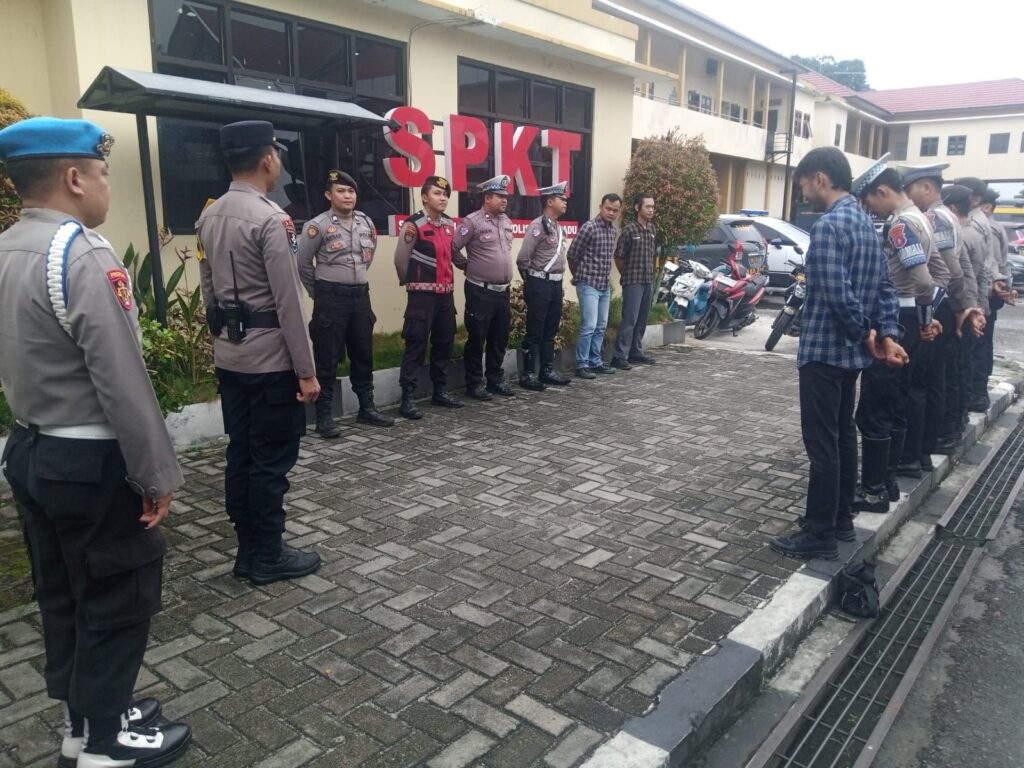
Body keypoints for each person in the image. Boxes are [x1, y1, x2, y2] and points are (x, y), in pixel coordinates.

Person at [0, 117, 191, 766]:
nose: (108, 185)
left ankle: (82, 724)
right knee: (116, 596)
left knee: (63, 595)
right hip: (91, 459)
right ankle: (106, 748)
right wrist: (156, 476)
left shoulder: (9, 246)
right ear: (74, 178)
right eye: (103, 172)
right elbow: (122, 379)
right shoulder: (81, 254)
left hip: (31, 449)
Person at [197, 120, 322, 586]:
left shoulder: (209, 215)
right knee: (270, 461)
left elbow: (209, 290)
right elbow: (288, 301)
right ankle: (267, 554)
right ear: (268, 159)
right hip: (271, 362)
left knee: (242, 454)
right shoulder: (272, 219)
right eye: (277, 155)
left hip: (231, 358)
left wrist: (223, 339)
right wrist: (306, 371)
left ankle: (248, 550)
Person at [769, 148, 904, 561]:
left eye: (803, 185)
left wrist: (866, 333)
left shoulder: (829, 227)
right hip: (851, 359)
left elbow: (836, 294)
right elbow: (885, 289)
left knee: (822, 445)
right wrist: (887, 334)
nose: (803, 194)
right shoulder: (866, 224)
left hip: (825, 353)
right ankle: (841, 519)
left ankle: (820, 533)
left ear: (820, 179)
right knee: (843, 438)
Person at [858, 161, 941, 487]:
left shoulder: (900, 225)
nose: (871, 209)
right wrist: (927, 317)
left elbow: (923, 281)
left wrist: (923, 318)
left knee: (880, 403)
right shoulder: (921, 218)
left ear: (882, 191)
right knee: (898, 398)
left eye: (870, 201)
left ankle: (879, 485)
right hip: (909, 317)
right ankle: (891, 477)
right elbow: (938, 274)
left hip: (898, 318)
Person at [298, 170, 393, 436]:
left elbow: (367, 258)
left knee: (363, 353)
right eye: (340, 191)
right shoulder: (317, 225)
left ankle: (367, 408)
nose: (347, 196)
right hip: (330, 298)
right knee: (326, 357)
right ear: (329, 195)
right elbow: (302, 263)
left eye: (351, 191)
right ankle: (324, 416)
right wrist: (319, 293)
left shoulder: (366, 222)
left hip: (360, 296)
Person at [900, 165, 985, 458]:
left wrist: (958, 309)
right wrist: (966, 306)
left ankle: (929, 444)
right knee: (940, 375)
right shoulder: (947, 217)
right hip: (947, 304)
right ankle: (939, 437)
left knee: (928, 379)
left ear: (926, 187)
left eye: (910, 190)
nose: (908, 196)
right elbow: (964, 269)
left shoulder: (936, 218)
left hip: (938, 306)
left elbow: (951, 270)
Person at [393, 175, 463, 418]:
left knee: (444, 343)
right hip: (422, 296)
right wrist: (412, 282)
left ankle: (440, 391)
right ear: (424, 197)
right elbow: (400, 260)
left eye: (445, 194)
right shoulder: (413, 225)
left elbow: (452, 255)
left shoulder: (449, 224)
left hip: (445, 296)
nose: (442, 198)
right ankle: (408, 397)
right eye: (437, 193)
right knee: (416, 345)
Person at [452, 175, 516, 400]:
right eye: (499, 196)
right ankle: (474, 384)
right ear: (487, 198)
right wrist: (466, 266)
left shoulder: (506, 221)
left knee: (499, 337)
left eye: (506, 196)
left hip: (502, 291)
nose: (504, 200)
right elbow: (453, 248)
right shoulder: (472, 222)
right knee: (477, 338)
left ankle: (495, 380)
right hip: (480, 290)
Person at [955, 176, 1010, 412]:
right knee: (978, 349)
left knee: (975, 351)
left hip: (979, 298)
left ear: (976, 200)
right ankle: (975, 395)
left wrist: (993, 287)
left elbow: (985, 265)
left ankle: (975, 395)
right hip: (983, 296)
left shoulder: (976, 225)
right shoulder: (984, 223)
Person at [516, 181, 573, 391]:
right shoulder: (537, 226)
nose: (565, 202)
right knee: (535, 330)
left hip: (555, 284)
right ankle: (528, 374)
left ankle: (546, 370)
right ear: (550, 202)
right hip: (539, 282)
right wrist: (532, 282)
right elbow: (523, 259)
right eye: (561, 199)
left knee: (550, 329)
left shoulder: (557, 226)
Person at [567, 193, 623, 379]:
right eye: (608, 209)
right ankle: (582, 364)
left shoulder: (612, 231)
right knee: (589, 326)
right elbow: (572, 255)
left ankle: (595, 361)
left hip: (604, 285)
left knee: (601, 326)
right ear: (600, 207)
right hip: (588, 284)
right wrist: (578, 277)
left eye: (615, 210)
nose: (611, 213)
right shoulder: (589, 228)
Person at [611, 193, 658, 370]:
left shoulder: (652, 229)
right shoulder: (629, 230)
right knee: (629, 318)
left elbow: (653, 255)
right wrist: (626, 275)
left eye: (653, 207)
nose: (651, 210)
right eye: (648, 206)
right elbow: (619, 256)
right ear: (638, 208)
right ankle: (619, 356)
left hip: (647, 280)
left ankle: (635, 352)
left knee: (642, 318)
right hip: (633, 281)